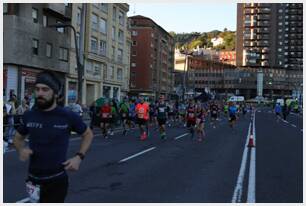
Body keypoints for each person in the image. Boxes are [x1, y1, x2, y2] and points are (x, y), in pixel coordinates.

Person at [13, 71, 94, 203]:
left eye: (45, 89)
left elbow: (88, 134)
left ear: (56, 94)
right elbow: (17, 138)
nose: (40, 93)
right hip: (33, 180)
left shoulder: (67, 116)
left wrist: (79, 157)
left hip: (56, 180)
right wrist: (20, 150)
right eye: (37, 89)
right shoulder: (29, 115)